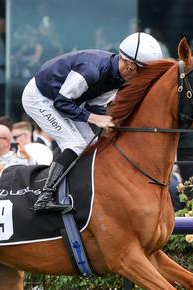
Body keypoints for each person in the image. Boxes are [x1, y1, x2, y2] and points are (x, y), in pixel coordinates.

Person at [21, 32, 162, 212]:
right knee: (75, 143)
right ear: (130, 66)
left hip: (66, 100)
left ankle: (79, 190)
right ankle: (44, 196)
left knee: (93, 144)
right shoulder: (91, 70)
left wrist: (112, 125)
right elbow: (62, 103)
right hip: (40, 97)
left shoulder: (118, 79)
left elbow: (95, 107)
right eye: (144, 73)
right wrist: (96, 119)